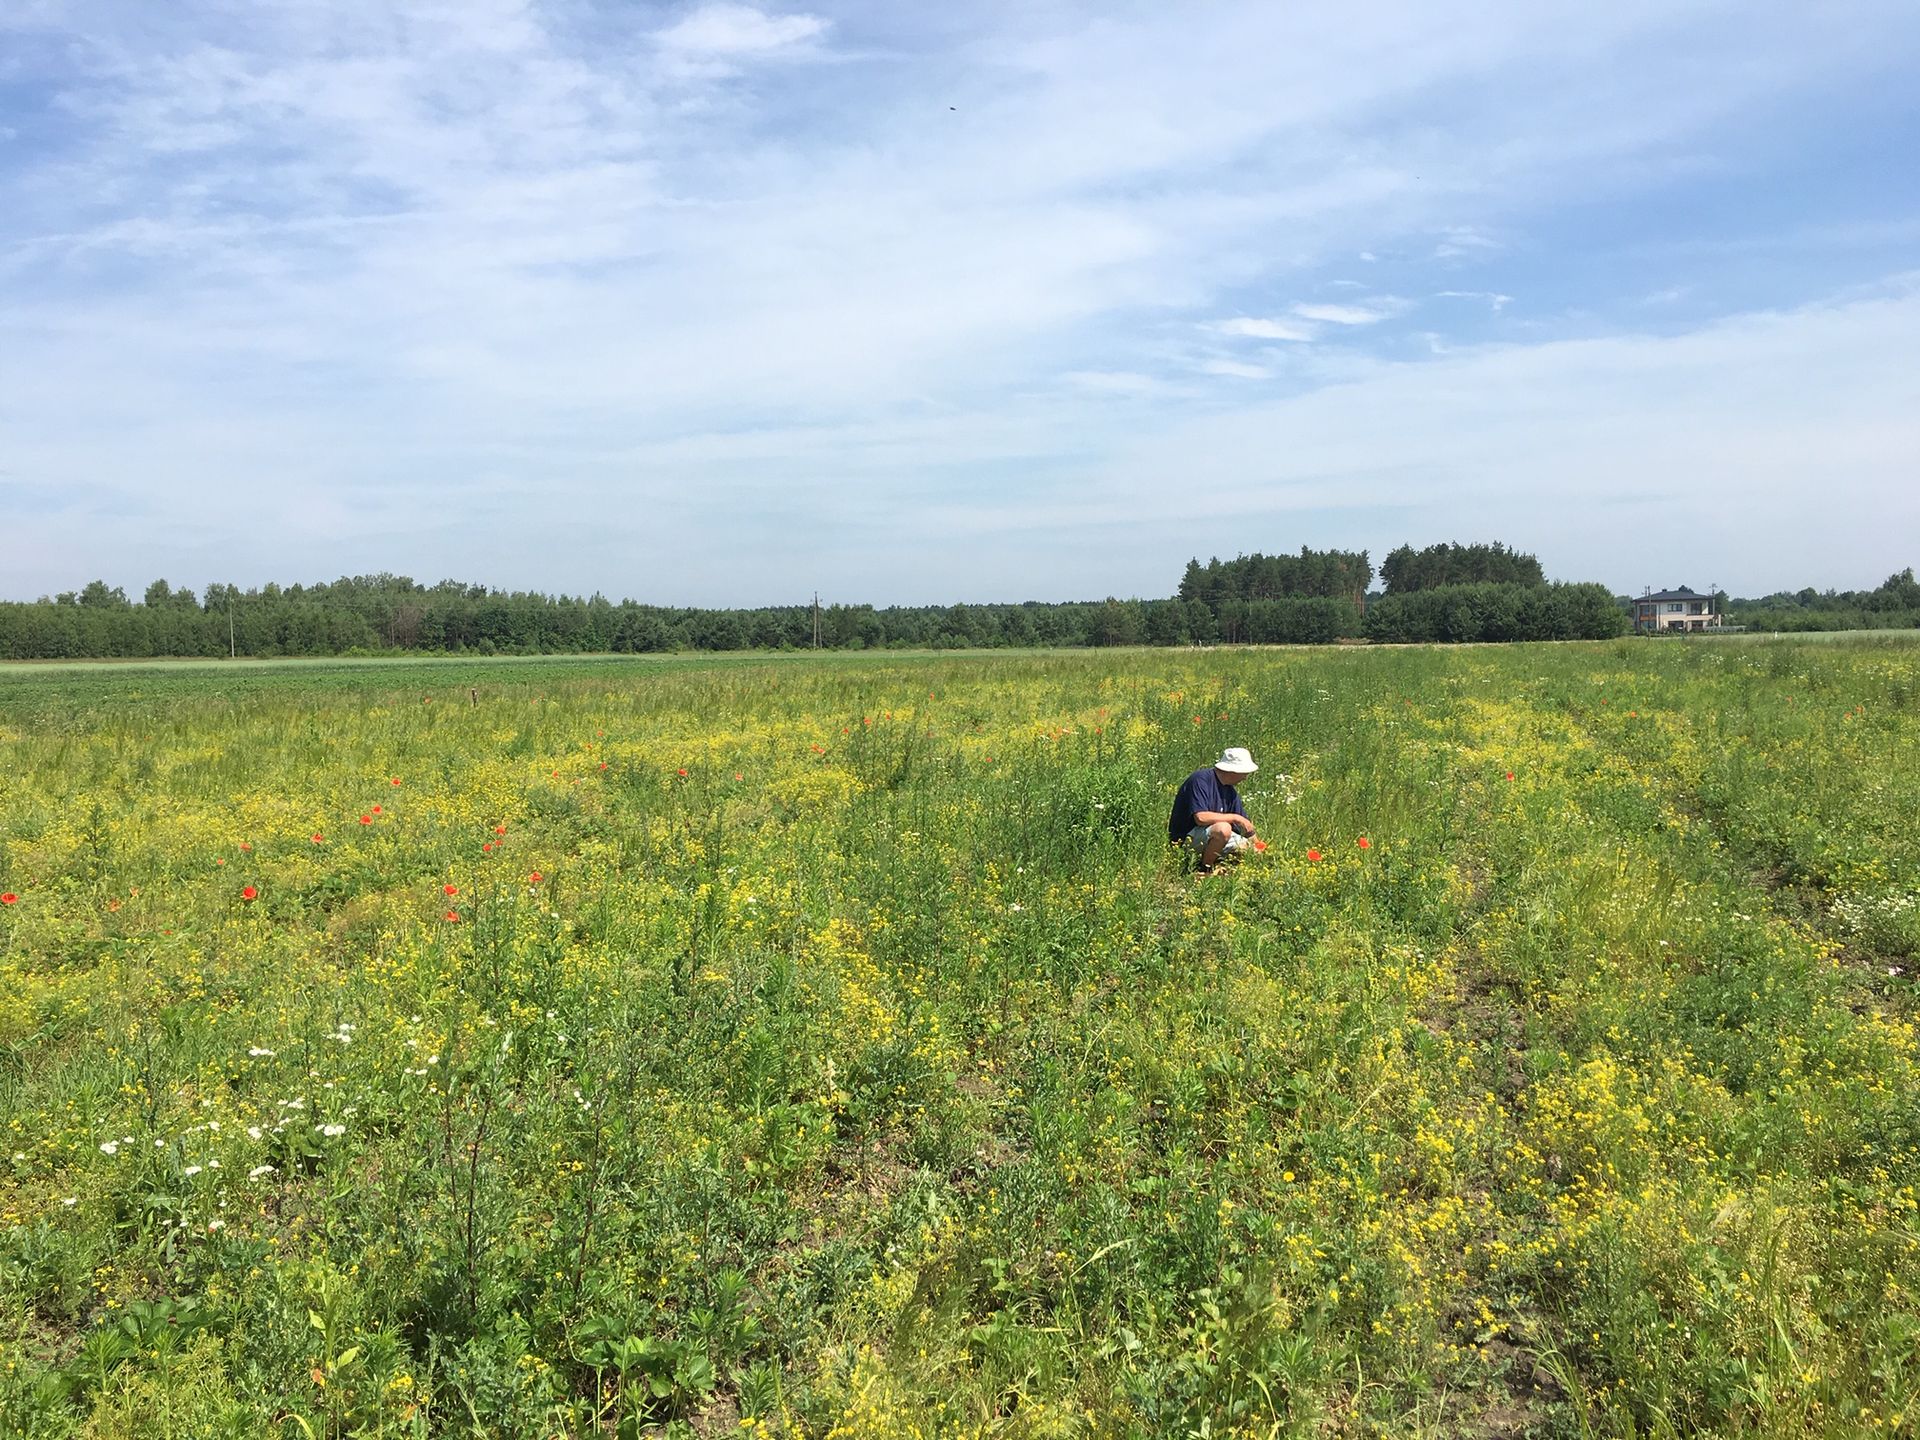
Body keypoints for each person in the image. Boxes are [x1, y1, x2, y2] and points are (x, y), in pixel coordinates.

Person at [1169, 746, 1260, 874]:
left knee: (1250, 850)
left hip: (1211, 838)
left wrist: (1259, 848)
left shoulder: (1230, 791)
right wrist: (1235, 818)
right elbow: (1201, 818)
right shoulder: (1200, 780)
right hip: (1186, 839)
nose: (1245, 777)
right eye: (1244, 773)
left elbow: (1246, 827)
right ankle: (1204, 869)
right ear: (1233, 770)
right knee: (1223, 828)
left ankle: (1223, 867)